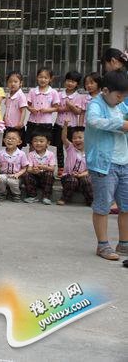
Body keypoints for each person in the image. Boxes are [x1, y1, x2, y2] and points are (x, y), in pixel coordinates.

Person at [85, 70, 128, 260]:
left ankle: (124, 244)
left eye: (124, 96)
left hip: (124, 163)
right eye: (118, 96)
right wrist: (120, 124)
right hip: (104, 164)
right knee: (103, 206)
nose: (121, 100)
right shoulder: (96, 104)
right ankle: (103, 245)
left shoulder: (121, 106)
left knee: (126, 206)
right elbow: (93, 121)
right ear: (105, 91)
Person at [53, 71, 85, 177]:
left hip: (72, 126)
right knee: (59, 147)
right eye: (68, 80)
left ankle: (72, 167)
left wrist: (71, 106)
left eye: (73, 81)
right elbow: (56, 108)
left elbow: (78, 112)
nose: (70, 83)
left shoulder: (79, 97)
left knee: (73, 147)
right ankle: (61, 168)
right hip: (59, 124)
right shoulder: (59, 94)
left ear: (77, 84)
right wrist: (67, 108)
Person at [58, 122, 92, 206]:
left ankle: (91, 201)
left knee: (86, 180)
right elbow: (63, 138)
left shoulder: (90, 152)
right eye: (74, 138)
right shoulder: (70, 147)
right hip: (68, 178)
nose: (77, 140)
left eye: (80, 137)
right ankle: (64, 198)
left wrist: (81, 175)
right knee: (73, 180)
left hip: (82, 178)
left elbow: (90, 170)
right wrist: (65, 126)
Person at [25, 67, 59, 147]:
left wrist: (46, 110)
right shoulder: (32, 91)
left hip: (45, 123)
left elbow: (56, 107)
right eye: (40, 77)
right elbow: (27, 104)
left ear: (50, 79)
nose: (43, 80)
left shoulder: (53, 92)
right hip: (32, 122)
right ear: (37, 77)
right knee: (32, 144)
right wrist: (31, 109)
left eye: (46, 78)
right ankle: (31, 156)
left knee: (44, 145)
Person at [0, 128, 28, 202]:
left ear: (19, 142)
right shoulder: (1, 153)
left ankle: (16, 194)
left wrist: (18, 174)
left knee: (12, 181)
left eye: (13, 139)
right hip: (4, 174)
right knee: (1, 178)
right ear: (4, 140)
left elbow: (25, 168)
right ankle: (2, 193)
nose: (10, 140)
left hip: (16, 176)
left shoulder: (21, 154)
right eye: (8, 138)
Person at [23, 132, 56, 205]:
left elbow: (52, 168)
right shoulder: (31, 154)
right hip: (35, 178)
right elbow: (28, 169)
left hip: (46, 179)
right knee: (26, 174)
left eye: (41, 141)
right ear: (32, 142)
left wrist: (44, 167)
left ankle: (46, 197)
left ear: (48, 143)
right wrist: (33, 171)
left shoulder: (50, 154)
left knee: (49, 174)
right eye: (35, 141)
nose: (38, 143)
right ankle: (32, 196)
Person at [3, 71, 27, 148]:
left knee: (17, 147)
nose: (12, 84)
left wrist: (21, 122)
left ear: (20, 83)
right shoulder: (8, 95)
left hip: (17, 126)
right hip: (8, 125)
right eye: (10, 82)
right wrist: (3, 119)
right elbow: (7, 109)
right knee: (8, 146)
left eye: (15, 82)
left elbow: (23, 110)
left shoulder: (21, 96)